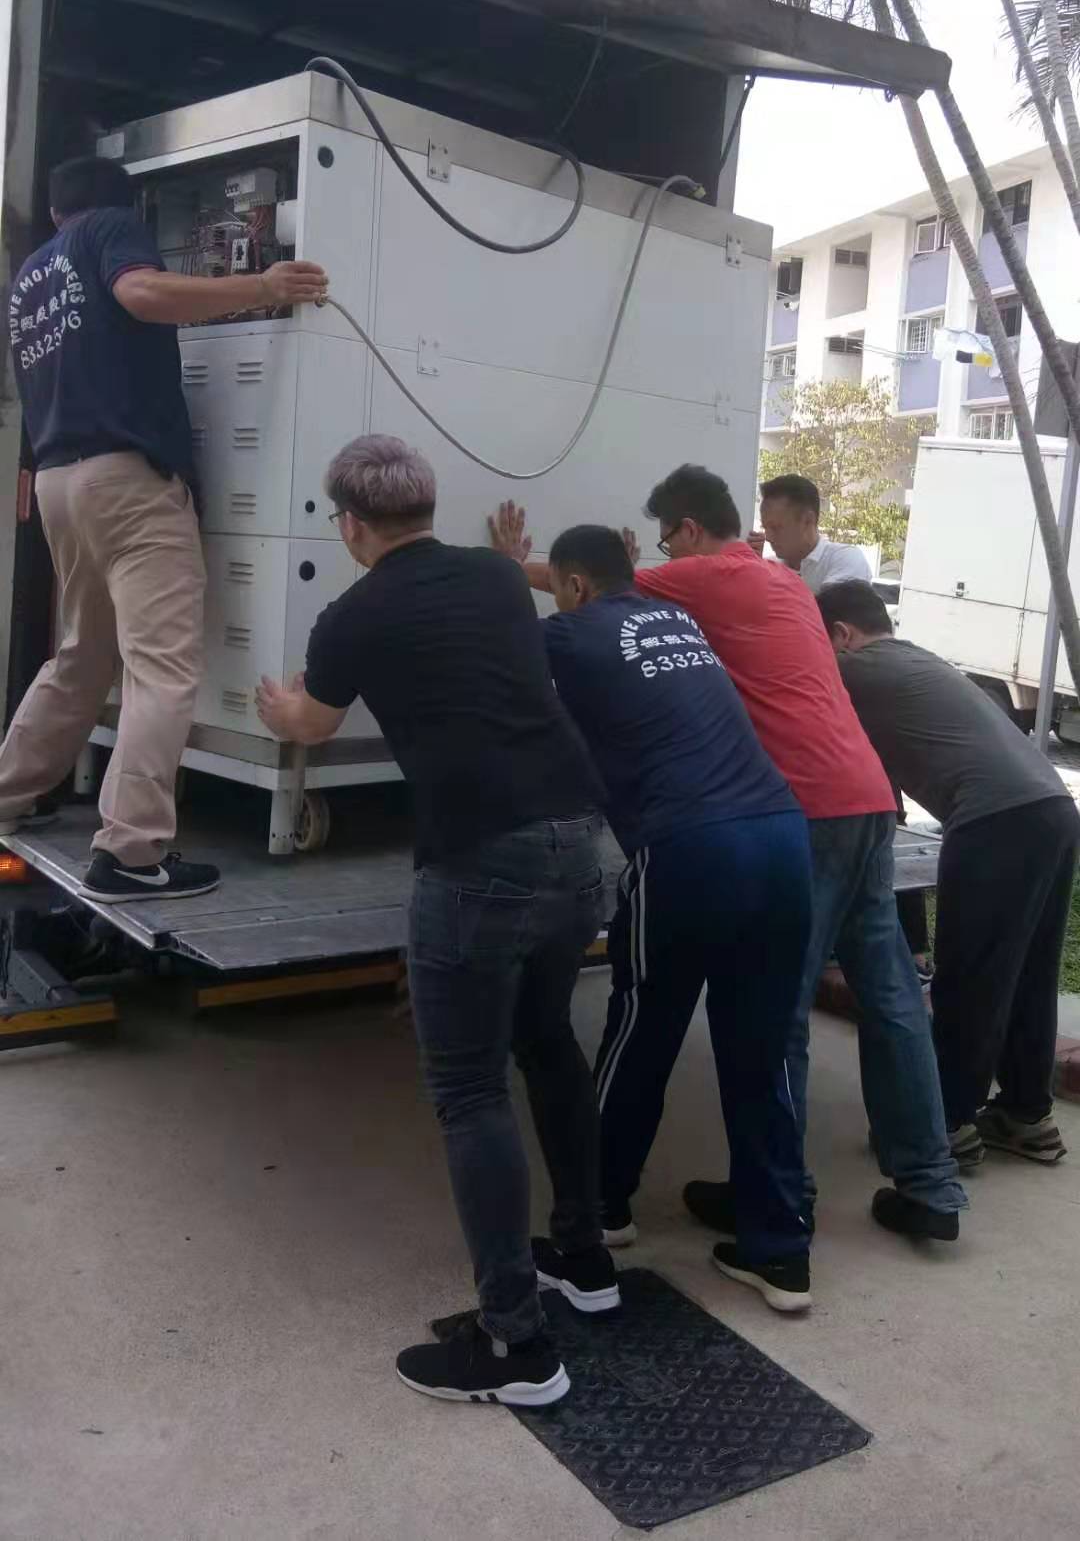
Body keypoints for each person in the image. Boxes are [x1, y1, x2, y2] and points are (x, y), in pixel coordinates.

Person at [492, 472, 966, 1242]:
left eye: (667, 539)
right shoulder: (784, 585)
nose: (663, 555)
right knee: (892, 996)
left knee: (775, 1018)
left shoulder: (703, 576)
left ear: (688, 531)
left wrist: (515, 566)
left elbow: (594, 587)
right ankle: (931, 1184)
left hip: (798, 805)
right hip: (868, 795)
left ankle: (776, 1200)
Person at [256, 436, 615, 1409]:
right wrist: (513, 549)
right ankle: (585, 1259)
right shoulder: (497, 580)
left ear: (351, 525)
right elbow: (507, 579)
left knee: (468, 1091)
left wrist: (278, 708)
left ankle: (517, 1347)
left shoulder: (352, 615)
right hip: (583, 840)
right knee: (548, 1042)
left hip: (480, 856)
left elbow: (315, 724)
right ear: (427, 507)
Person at [0, 153, 328, 904]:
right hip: (127, 480)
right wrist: (265, 286)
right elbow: (142, 293)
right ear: (123, 207)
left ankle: (8, 793)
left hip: (59, 481)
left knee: (82, 657)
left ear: (54, 212)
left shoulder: (31, 277)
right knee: (162, 667)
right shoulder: (111, 230)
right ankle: (131, 851)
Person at [540, 523, 814, 1312]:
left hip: (689, 845)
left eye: (559, 589)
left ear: (576, 585)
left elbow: (490, 670)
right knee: (760, 1049)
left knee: (642, 1030)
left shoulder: (569, 632)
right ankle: (779, 1251)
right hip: (782, 835)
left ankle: (598, 1212)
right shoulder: (679, 620)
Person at [818, 579, 1076, 1169]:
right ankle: (1025, 1115)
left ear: (841, 634)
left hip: (995, 820)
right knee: (1028, 975)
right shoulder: (916, 660)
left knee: (969, 980)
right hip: (1053, 811)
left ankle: (946, 1125)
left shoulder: (854, 669)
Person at [755, 474, 872, 592]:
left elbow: (834, 603)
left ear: (807, 520)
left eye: (776, 527)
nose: (768, 537)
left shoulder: (844, 559)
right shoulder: (768, 566)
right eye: (765, 528)